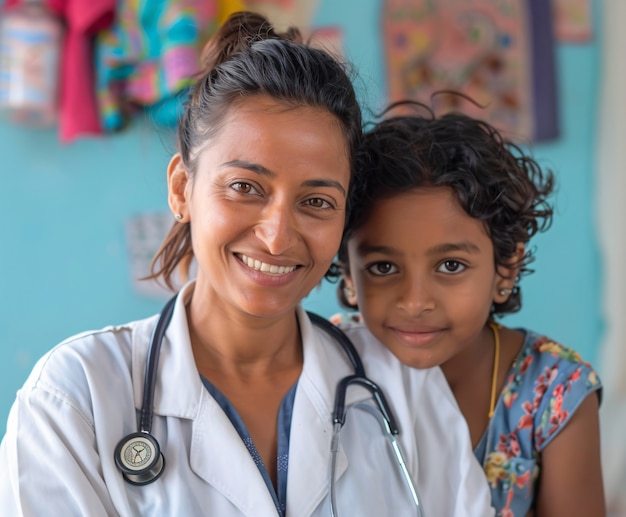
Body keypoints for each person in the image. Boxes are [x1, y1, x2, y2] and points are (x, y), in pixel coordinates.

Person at [0, 14, 494, 517]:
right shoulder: (75, 398)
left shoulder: (399, 383)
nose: (277, 235)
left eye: (317, 201)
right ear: (181, 188)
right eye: (244, 188)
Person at [334, 104, 605, 517]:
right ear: (348, 275)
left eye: (450, 266)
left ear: (505, 267)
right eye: (383, 267)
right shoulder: (327, 366)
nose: (416, 301)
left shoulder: (554, 392)